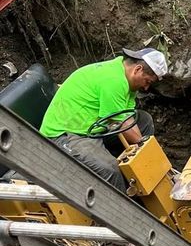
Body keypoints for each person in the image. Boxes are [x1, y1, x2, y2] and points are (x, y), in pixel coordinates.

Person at [39, 47, 168, 192]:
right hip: (66, 135)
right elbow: (122, 124)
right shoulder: (114, 81)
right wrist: (151, 158)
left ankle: (136, 178)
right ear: (137, 69)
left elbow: (127, 117)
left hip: (93, 127)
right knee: (110, 170)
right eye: (147, 81)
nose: (146, 87)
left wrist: (146, 151)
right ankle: (124, 209)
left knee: (143, 120)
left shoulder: (125, 77)